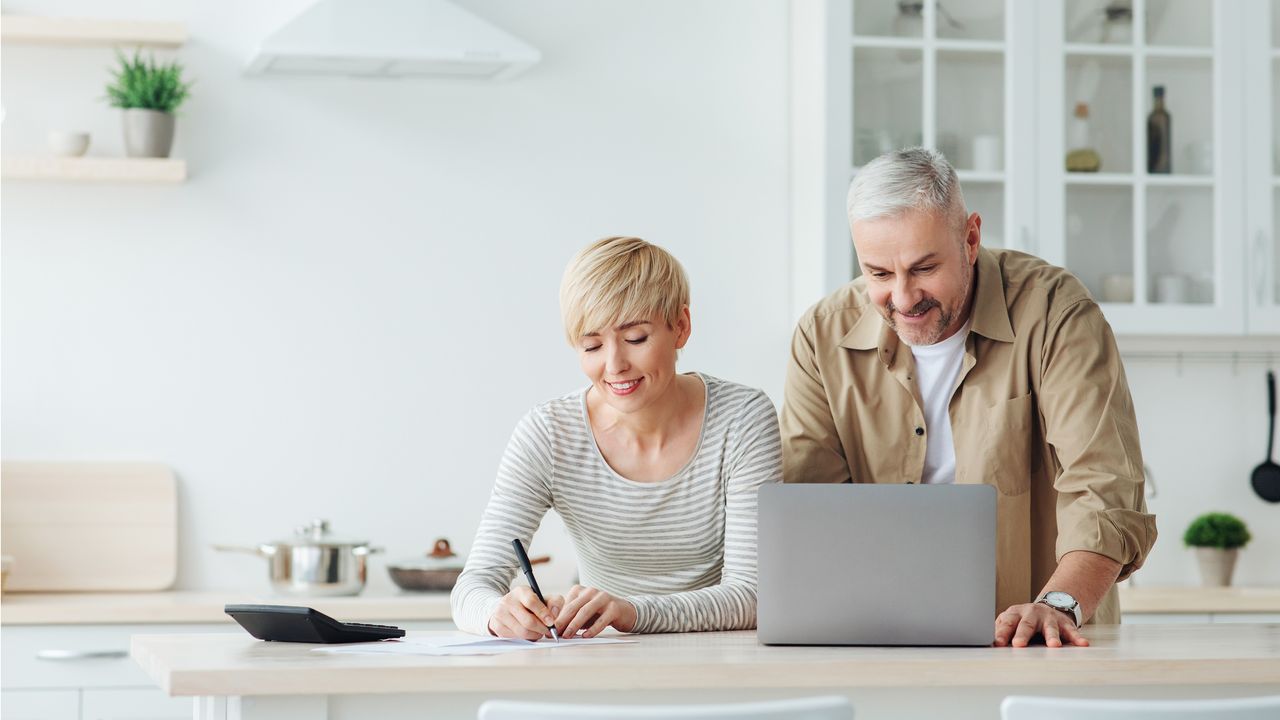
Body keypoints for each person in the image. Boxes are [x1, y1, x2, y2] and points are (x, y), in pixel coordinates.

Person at [779, 148, 1156, 648]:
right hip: (883, 639)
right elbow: (812, 510)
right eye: (879, 274)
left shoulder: (1055, 312)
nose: (904, 297)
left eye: (924, 267)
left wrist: (1058, 605)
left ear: (971, 237)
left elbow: (1103, 486)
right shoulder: (822, 336)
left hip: (1045, 641)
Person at [451, 236, 782, 640]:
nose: (615, 365)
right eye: (592, 345)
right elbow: (471, 589)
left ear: (681, 327)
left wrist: (632, 612)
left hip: (721, 660)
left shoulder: (742, 419)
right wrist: (497, 612)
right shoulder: (549, 433)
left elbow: (753, 595)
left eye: (636, 339)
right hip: (601, 662)